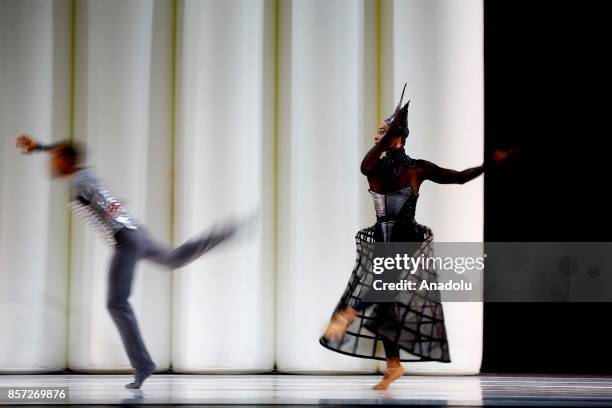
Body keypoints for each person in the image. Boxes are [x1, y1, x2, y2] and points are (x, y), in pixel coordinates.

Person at [320, 85, 517, 390]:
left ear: (396, 136)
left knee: (381, 286)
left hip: (407, 238)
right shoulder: (376, 167)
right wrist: (389, 134)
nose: (377, 135)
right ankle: (394, 366)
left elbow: (460, 177)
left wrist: (491, 163)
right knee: (386, 307)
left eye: (382, 131)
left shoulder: (417, 169)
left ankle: (350, 313)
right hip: (384, 239)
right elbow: (364, 165)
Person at [15, 135, 248, 389]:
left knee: (116, 303)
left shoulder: (81, 180)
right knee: (173, 259)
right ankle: (225, 233)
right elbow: (75, 164)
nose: (51, 164)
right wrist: (39, 147)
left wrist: (111, 207)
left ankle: (143, 363)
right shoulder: (82, 175)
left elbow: (103, 199)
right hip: (136, 233)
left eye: (55, 159)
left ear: (67, 159)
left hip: (126, 238)